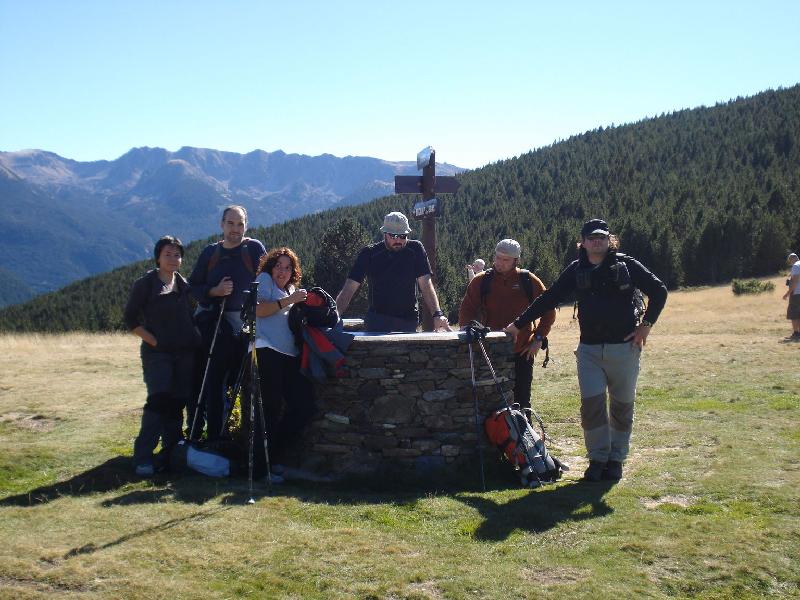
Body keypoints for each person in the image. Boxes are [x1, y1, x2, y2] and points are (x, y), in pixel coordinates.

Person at [505, 219, 667, 482]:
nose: (597, 241)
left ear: (609, 240)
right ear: (582, 241)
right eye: (591, 238)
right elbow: (550, 298)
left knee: (621, 406)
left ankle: (616, 460)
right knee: (592, 407)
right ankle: (597, 459)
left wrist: (645, 327)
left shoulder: (627, 265)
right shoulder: (576, 270)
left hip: (624, 348)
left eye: (601, 237)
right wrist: (518, 324)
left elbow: (659, 291)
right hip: (589, 350)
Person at [188, 205, 266, 442]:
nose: (235, 229)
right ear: (221, 225)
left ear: (246, 225)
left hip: (240, 320)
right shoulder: (210, 253)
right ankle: (202, 431)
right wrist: (215, 291)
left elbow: (268, 279)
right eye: (231, 223)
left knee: (225, 377)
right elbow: (194, 287)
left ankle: (217, 432)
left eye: (240, 224)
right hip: (211, 320)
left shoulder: (253, 249)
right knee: (205, 376)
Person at [124, 236, 200, 476]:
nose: (173, 259)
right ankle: (143, 457)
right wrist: (154, 340)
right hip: (158, 355)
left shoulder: (183, 284)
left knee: (176, 403)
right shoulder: (146, 284)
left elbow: (190, 315)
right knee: (158, 402)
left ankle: (170, 454)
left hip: (184, 354)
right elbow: (130, 319)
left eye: (177, 255)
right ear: (158, 257)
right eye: (168, 254)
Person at [459, 239, 556, 409]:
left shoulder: (528, 281)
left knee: (522, 399)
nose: (499, 263)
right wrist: (467, 334)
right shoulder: (481, 281)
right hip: (489, 350)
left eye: (505, 260)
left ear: (515, 261)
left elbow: (549, 311)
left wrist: (538, 338)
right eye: (497, 258)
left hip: (522, 350)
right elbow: (467, 310)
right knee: (490, 399)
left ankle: (522, 432)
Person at [252, 247, 315, 481]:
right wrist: (290, 300)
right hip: (266, 349)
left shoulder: (290, 289)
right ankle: (261, 467)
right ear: (270, 266)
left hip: (288, 354)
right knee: (268, 408)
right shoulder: (264, 280)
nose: (282, 271)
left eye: (288, 267)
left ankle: (274, 456)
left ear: (293, 272)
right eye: (278, 265)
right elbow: (258, 309)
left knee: (303, 405)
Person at [335, 211, 451, 332]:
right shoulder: (370, 253)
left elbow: (426, 285)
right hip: (377, 320)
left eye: (402, 236)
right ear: (384, 234)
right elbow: (349, 288)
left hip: (408, 320)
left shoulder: (415, 249)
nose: (398, 240)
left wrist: (437, 314)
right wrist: (335, 315)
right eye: (393, 236)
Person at [783, 252, 800, 340]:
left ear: (792, 258)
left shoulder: (796, 266)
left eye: (790, 261)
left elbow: (795, 281)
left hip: (797, 293)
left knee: (794, 313)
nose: (790, 263)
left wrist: (787, 293)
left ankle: (796, 333)